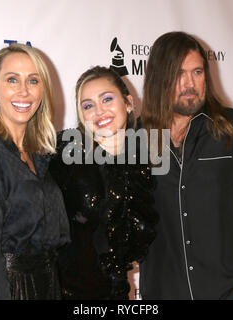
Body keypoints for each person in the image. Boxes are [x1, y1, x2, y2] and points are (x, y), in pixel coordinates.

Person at [139, 31, 233, 300]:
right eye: (179, 73)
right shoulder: (135, 140)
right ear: (159, 78)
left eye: (197, 72)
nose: (190, 84)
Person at [0, 44, 70, 300]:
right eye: (12, 80)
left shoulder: (39, 153)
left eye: (33, 80)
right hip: (10, 289)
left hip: (48, 286)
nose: (24, 91)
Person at [49, 66, 158, 299]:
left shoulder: (142, 155)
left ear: (128, 103)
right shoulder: (65, 153)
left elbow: (134, 245)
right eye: (88, 105)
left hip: (117, 293)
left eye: (107, 99)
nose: (99, 111)